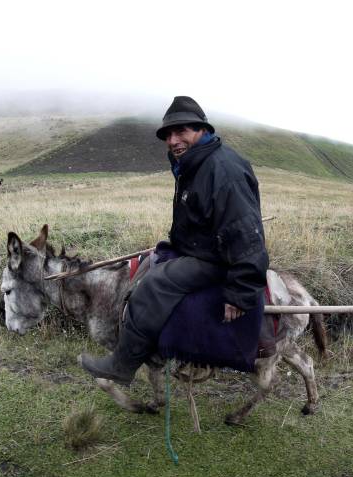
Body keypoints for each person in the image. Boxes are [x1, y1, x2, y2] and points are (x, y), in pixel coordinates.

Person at [78, 96, 269, 385]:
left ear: (203, 130)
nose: (173, 140)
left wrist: (241, 291)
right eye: (168, 134)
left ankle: (123, 363)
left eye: (182, 131)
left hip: (217, 258)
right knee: (151, 263)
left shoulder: (223, 170)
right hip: (200, 249)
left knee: (155, 285)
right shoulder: (195, 165)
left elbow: (245, 233)